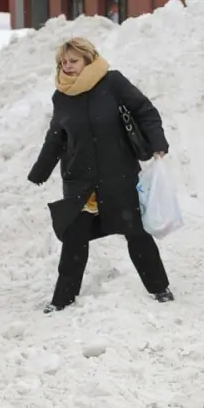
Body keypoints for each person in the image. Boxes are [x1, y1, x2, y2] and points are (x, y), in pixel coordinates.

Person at [28, 37, 175, 312]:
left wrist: (157, 142)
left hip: (118, 174)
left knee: (136, 233)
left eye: (73, 61)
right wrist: (40, 170)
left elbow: (145, 111)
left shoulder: (112, 83)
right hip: (79, 180)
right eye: (63, 62)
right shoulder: (62, 96)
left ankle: (159, 288)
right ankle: (62, 299)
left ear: (88, 59)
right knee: (74, 238)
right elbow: (57, 136)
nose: (67, 66)